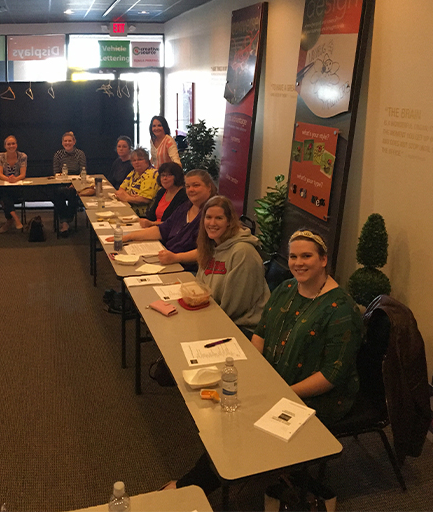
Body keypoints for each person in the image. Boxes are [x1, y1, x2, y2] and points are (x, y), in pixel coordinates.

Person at [163, 230, 361, 494]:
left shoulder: (342, 309)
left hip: (317, 396)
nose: (298, 262)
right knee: (227, 405)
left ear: (323, 260)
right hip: (275, 378)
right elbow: (262, 332)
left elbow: (332, 375)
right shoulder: (287, 288)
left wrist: (281, 393)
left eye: (307, 256)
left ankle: (192, 486)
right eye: (293, 256)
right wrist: (253, 372)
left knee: (241, 424)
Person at [109, 169, 216, 270]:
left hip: (188, 268)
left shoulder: (213, 213)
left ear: (209, 187)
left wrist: (176, 257)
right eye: (187, 186)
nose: (191, 190)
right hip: (169, 258)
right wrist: (128, 236)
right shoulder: (185, 207)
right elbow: (163, 229)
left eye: (196, 185)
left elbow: (208, 250)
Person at [194, 196, 269, 331]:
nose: (212, 223)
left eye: (219, 218)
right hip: (214, 316)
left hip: (242, 327)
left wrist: (204, 320)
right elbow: (200, 286)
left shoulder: (243, 252)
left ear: (229, 221)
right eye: (208, 217)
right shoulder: (210, 246)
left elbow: (237, 306)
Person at [51, 131, 87, 235]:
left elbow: (83, 172)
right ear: (62, 143)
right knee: (57, 195)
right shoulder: (58, 154)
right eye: (65, 141)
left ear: (74, 142)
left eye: (70, 141)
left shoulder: (80, 154)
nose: (68, 143)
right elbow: (56, 173)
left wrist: (75, 185)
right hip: (61, 183)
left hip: (76, 184)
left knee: (73, 195)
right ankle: (65, 221)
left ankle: (66, 220)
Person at [0, 135, 27, 232]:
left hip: (17, 187)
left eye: (13, 143)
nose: (11, 146)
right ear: (5, 146)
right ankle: (15, 218)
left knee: (3, 196)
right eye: (9, 144)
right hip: (5, 185)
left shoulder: (22, 156)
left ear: (16, 145)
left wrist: (15, 179)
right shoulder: (0, 156)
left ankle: (10, 220)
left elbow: (23, 174)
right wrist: (8, 179)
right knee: (3, 194)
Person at [114, 148, 158, 219]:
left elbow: (144, 199)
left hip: (144, 216)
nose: (136, 162)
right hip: (129, 210)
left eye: (140, 159)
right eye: (134, 160)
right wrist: (132, 197)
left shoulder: (152, 174)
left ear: (147, 161)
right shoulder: (134, 172)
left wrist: (127, 197)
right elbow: (120, 190)